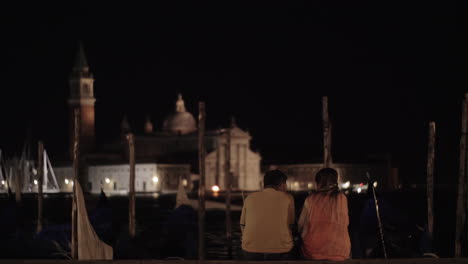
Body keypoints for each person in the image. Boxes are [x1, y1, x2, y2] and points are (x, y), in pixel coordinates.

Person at [240, 169, 295, 260]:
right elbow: (291, 224)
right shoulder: (288, 198)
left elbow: (243, 225)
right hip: (281, 249)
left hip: (250, 249)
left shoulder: (249, 198)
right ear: (282, 184)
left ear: (264, 184)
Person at [298, 168, 350, 261]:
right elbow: (346, 223)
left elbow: (301, 225)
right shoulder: (342, 198)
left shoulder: (310, 199)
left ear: (318, 183)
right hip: (340, 250)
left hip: (313, 251)